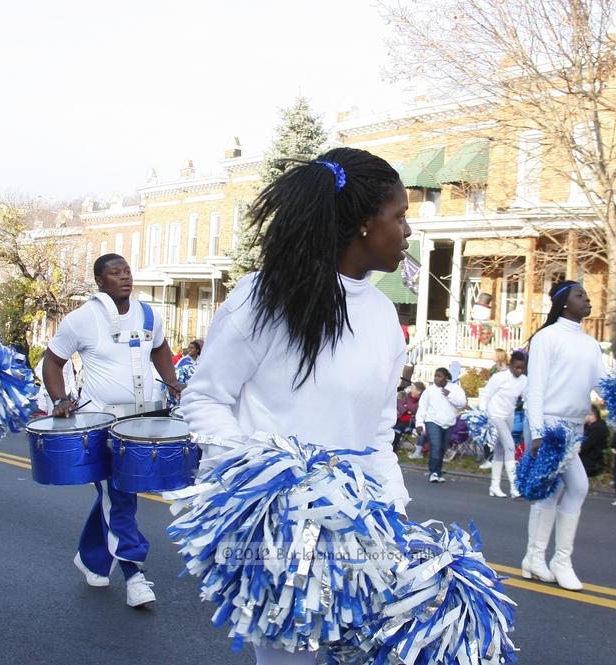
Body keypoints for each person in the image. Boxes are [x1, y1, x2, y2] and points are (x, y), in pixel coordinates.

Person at [180, 147, 412, 665]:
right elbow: (206, 398)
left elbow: (376, 434)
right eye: (399, 216)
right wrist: (262, 485)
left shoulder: (381, 315)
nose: (407, 231)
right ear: (363, 226)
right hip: (281, 538)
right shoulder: (262, 298)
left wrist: (394, 519)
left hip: (359, 531)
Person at [41, 253, 178, 608]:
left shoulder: (150, 314)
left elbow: (160, 349)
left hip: (143, 422)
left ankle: (91, 557)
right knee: (120, 496)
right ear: (100, 281)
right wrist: (59, 399)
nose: (124, 277)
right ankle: (134, 574)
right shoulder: (81, 320)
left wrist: (173, 382)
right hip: (101, 425)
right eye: (114, 273)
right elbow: (53, 362)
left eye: (127, 271)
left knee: (119, 493)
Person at [521, 280, 604, 592]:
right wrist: (538, 432)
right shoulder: (546, 337)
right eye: (580, 295)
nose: (587, 299)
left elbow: (601, 382)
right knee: (569, 487)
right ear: (564, 303)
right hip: (549, 425)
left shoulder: (591, 344)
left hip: (574, 427)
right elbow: (536, 388)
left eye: (587, 294)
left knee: (564, 490)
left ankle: (539, 559)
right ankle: (552, 560)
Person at [479, 350, 528, 497]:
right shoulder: (499, 377)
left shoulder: (524, 380)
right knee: (510, 447)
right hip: (495, 415)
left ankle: (494, 485)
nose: (519, 371)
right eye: (516, 367)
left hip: (509, 416)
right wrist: (484, 414)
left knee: (500, 450)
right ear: (510, 365)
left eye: (522, 368)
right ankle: (514, 487)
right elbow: (486, 394)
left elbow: (527, 398)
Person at [415, 367, 467, 483]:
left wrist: (450, 395)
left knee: (442, 448)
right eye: (435, 376)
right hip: (432, 421)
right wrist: (419, 423)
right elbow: (422, 408)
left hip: (449, 423)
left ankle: (438, 472)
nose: (436, 378)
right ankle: (433, 472)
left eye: (440, 376)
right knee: (436, 446)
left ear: (446, 378)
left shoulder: (455, 389)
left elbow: (462, 403)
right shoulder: (429, 391)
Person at [579, 404, 609, 478]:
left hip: (591, 461)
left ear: (592, 415)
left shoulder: (597, 428)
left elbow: (585, 446)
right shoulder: (589, 426)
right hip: (588, 459)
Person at [392, 380, 423, 451]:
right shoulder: (408, 396)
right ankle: (393, 445)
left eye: (413, 388)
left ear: (419, 391)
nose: (411, 390)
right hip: (401, 417)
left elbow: (415, 408)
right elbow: (399, 403)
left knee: (398, 427)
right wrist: (406, 409)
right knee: (393, 425)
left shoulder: (422, 399)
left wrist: (406, 407)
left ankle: (394, 446)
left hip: (412, 421)